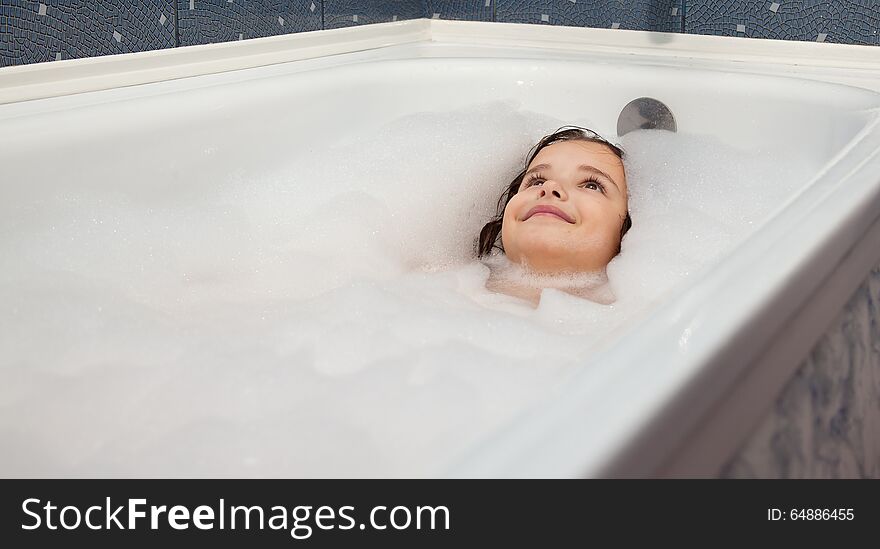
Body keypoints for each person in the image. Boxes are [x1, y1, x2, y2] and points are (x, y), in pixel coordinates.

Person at [476, 126, 632, 304]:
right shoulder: (448, 284)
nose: (549, 187)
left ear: (629, 229)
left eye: (591, 185)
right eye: (537, 181)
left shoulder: (648, 318)